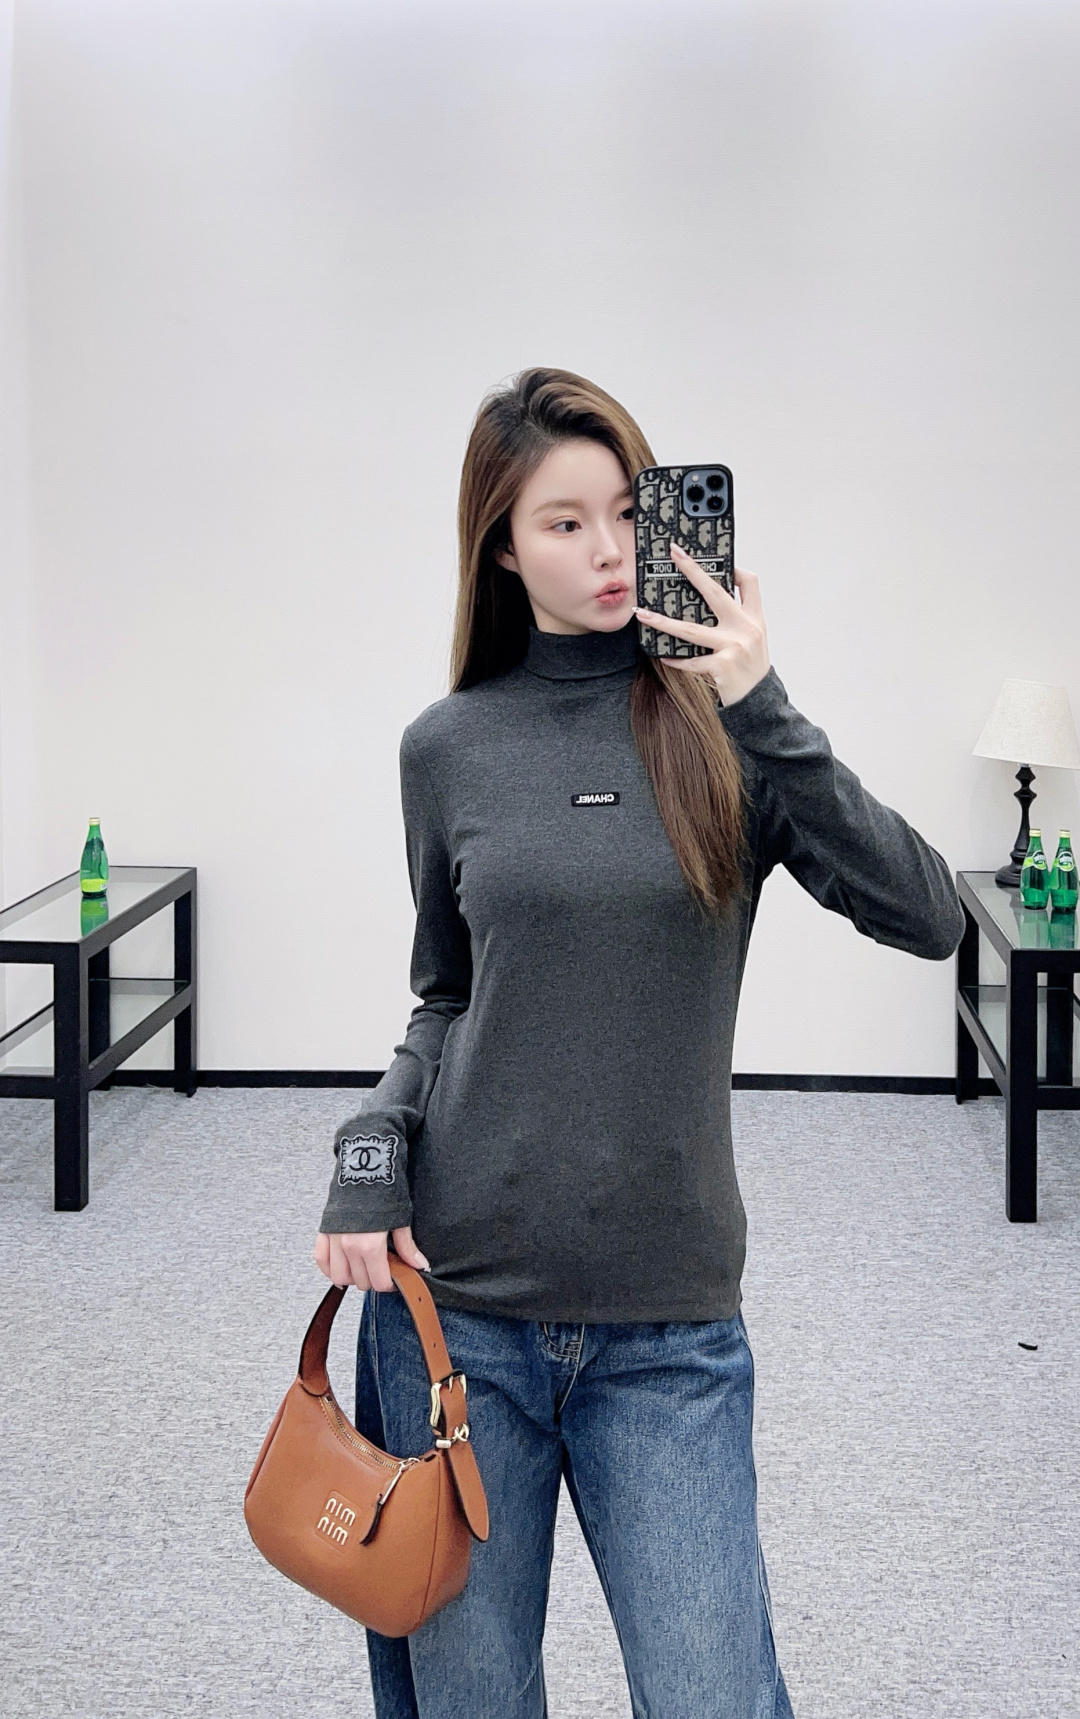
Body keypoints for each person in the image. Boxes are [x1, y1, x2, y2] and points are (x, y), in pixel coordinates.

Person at [314, 368, 965, 1719]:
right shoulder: (446, 748)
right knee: (470, 1696)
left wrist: (761, 701)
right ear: (501, 547)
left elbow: (929, 916)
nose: (609, 550)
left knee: (712, 1694)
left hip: (667, 1320)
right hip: (459, 1311)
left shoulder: (729, 737)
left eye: (627, 511)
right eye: (564, 523)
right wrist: (370, 1148)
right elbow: (444, 997)